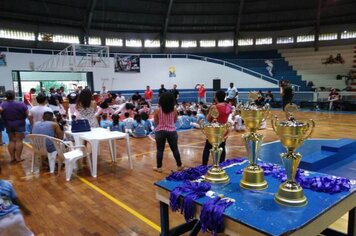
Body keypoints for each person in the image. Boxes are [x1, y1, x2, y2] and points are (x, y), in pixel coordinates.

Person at [153, 92, 184, 172]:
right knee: (175, 149)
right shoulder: (174, 110)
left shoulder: (157, 110)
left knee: (160, 150)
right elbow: (175, 121)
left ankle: (159, 167)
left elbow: (156, 123)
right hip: (172, 131)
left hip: (160, 131)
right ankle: (179, 165)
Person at [202, 90, 232, 165]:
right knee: (222, 147)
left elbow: (209, 119)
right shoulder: (229, 106)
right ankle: (221, 164)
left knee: (208, 147)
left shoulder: (214, 107)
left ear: (216, 97)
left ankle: (204, 165)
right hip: (224, 129)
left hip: (214, 129)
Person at [0, 90, 28, 163]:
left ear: (6, 97)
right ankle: (18, 158)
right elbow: (28, 114)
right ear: (14, 96)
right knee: (19, 140)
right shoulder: (21, 104)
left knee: (11, 140)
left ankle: (12, 158)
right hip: (20, 124)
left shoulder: (3, 105)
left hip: (8, 124)